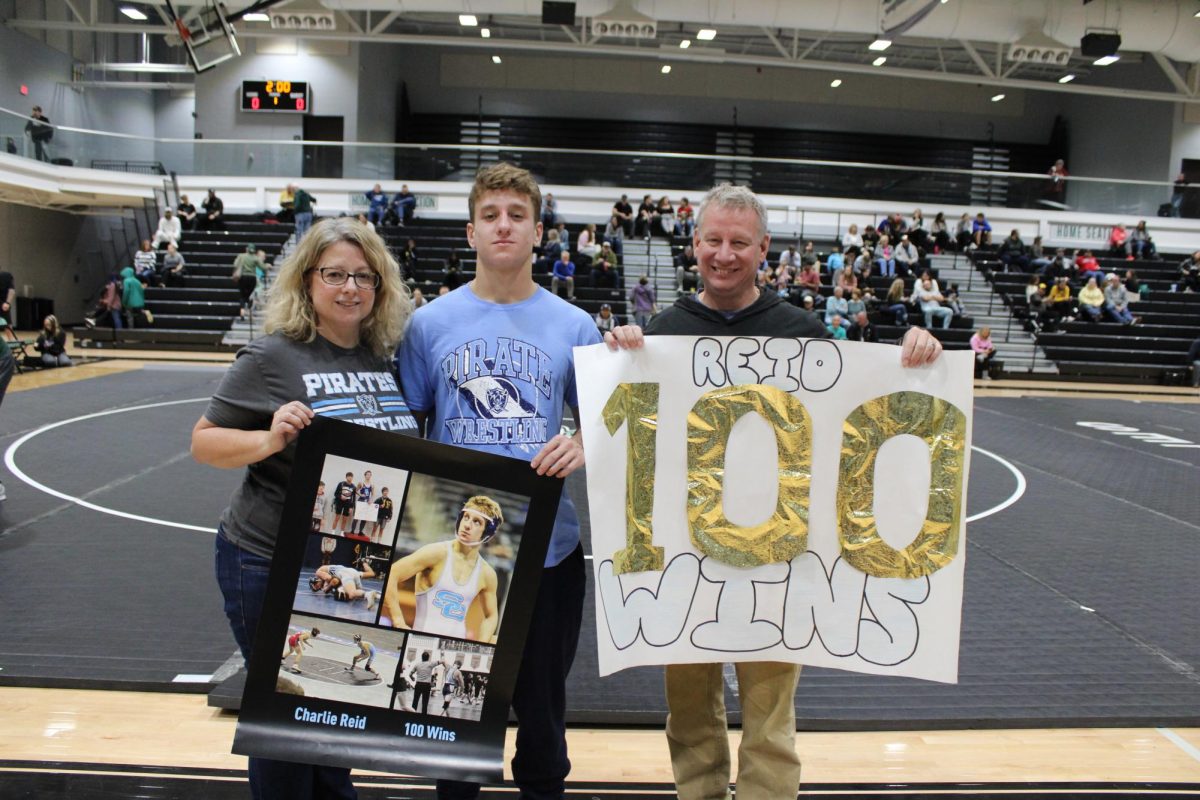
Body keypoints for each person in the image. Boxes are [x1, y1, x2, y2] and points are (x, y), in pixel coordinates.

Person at [602, 183, 942, 800]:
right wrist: (625, 356)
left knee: (770, 723)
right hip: (687, 561)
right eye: (713, 240)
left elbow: (850, 426)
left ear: (763, 250)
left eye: (739, 243)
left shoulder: (803, 330)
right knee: (688, 716)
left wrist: (918, 355)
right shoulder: (665, 329)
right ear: (694, 244)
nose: (724, 254)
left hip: (779, 564)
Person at [395, 162, 601, 799]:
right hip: (460, 549)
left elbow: (606, 423)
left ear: (538, 232)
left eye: (517, 216)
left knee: (543, 720)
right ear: (470, 232)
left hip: (549, 549)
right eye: (491, 216)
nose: (503, 226)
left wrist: (582, 445)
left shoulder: (574, 325)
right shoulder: (429, 325)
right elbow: (402, 428)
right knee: (455, 721)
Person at [190, 216, 413, 800]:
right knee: (287, 715)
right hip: (265, 560)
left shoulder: (378, 358)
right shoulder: (272, 357)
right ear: (307, 280)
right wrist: (268, 439)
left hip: (337, 562)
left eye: (364, 277)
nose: (350, 288)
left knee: (328, 707)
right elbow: (203, 442)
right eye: (335, 274)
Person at [231, 245, 264, 318]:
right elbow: (262, 267)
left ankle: (242, 310)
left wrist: (234, 273)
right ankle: (249, 310)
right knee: (250, 296)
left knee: (242, 295)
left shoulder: (241, 256)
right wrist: (267, 266)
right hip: (252, 278)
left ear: (247, 249)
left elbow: (235, 265)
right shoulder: (256, 258)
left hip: (243, 278)